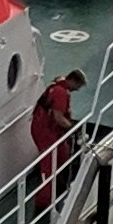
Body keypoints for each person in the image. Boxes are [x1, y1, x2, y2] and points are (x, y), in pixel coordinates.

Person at [29, 67, 83, 213]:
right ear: (73, 81)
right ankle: (43, 203)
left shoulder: (60, 82)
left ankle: (60, 186)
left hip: (52, 130)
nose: (77, 90)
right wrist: (73, 128)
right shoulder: (60, 93)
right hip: (45, 131)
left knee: (63, 156)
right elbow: (58, 117)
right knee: (49, 166)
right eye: (78, 86)